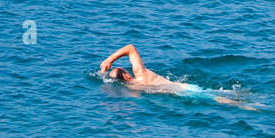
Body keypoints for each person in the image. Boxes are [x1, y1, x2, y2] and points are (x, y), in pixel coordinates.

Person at [99, 44, 257, 106]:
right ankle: (252, 106)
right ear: (126, 75)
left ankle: (251, 103)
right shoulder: (141, 74)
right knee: (220, 97)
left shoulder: (133, 91)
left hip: (179, 94)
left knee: (218, 97)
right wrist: (110, 59)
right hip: (184, 89)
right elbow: (131, 48)